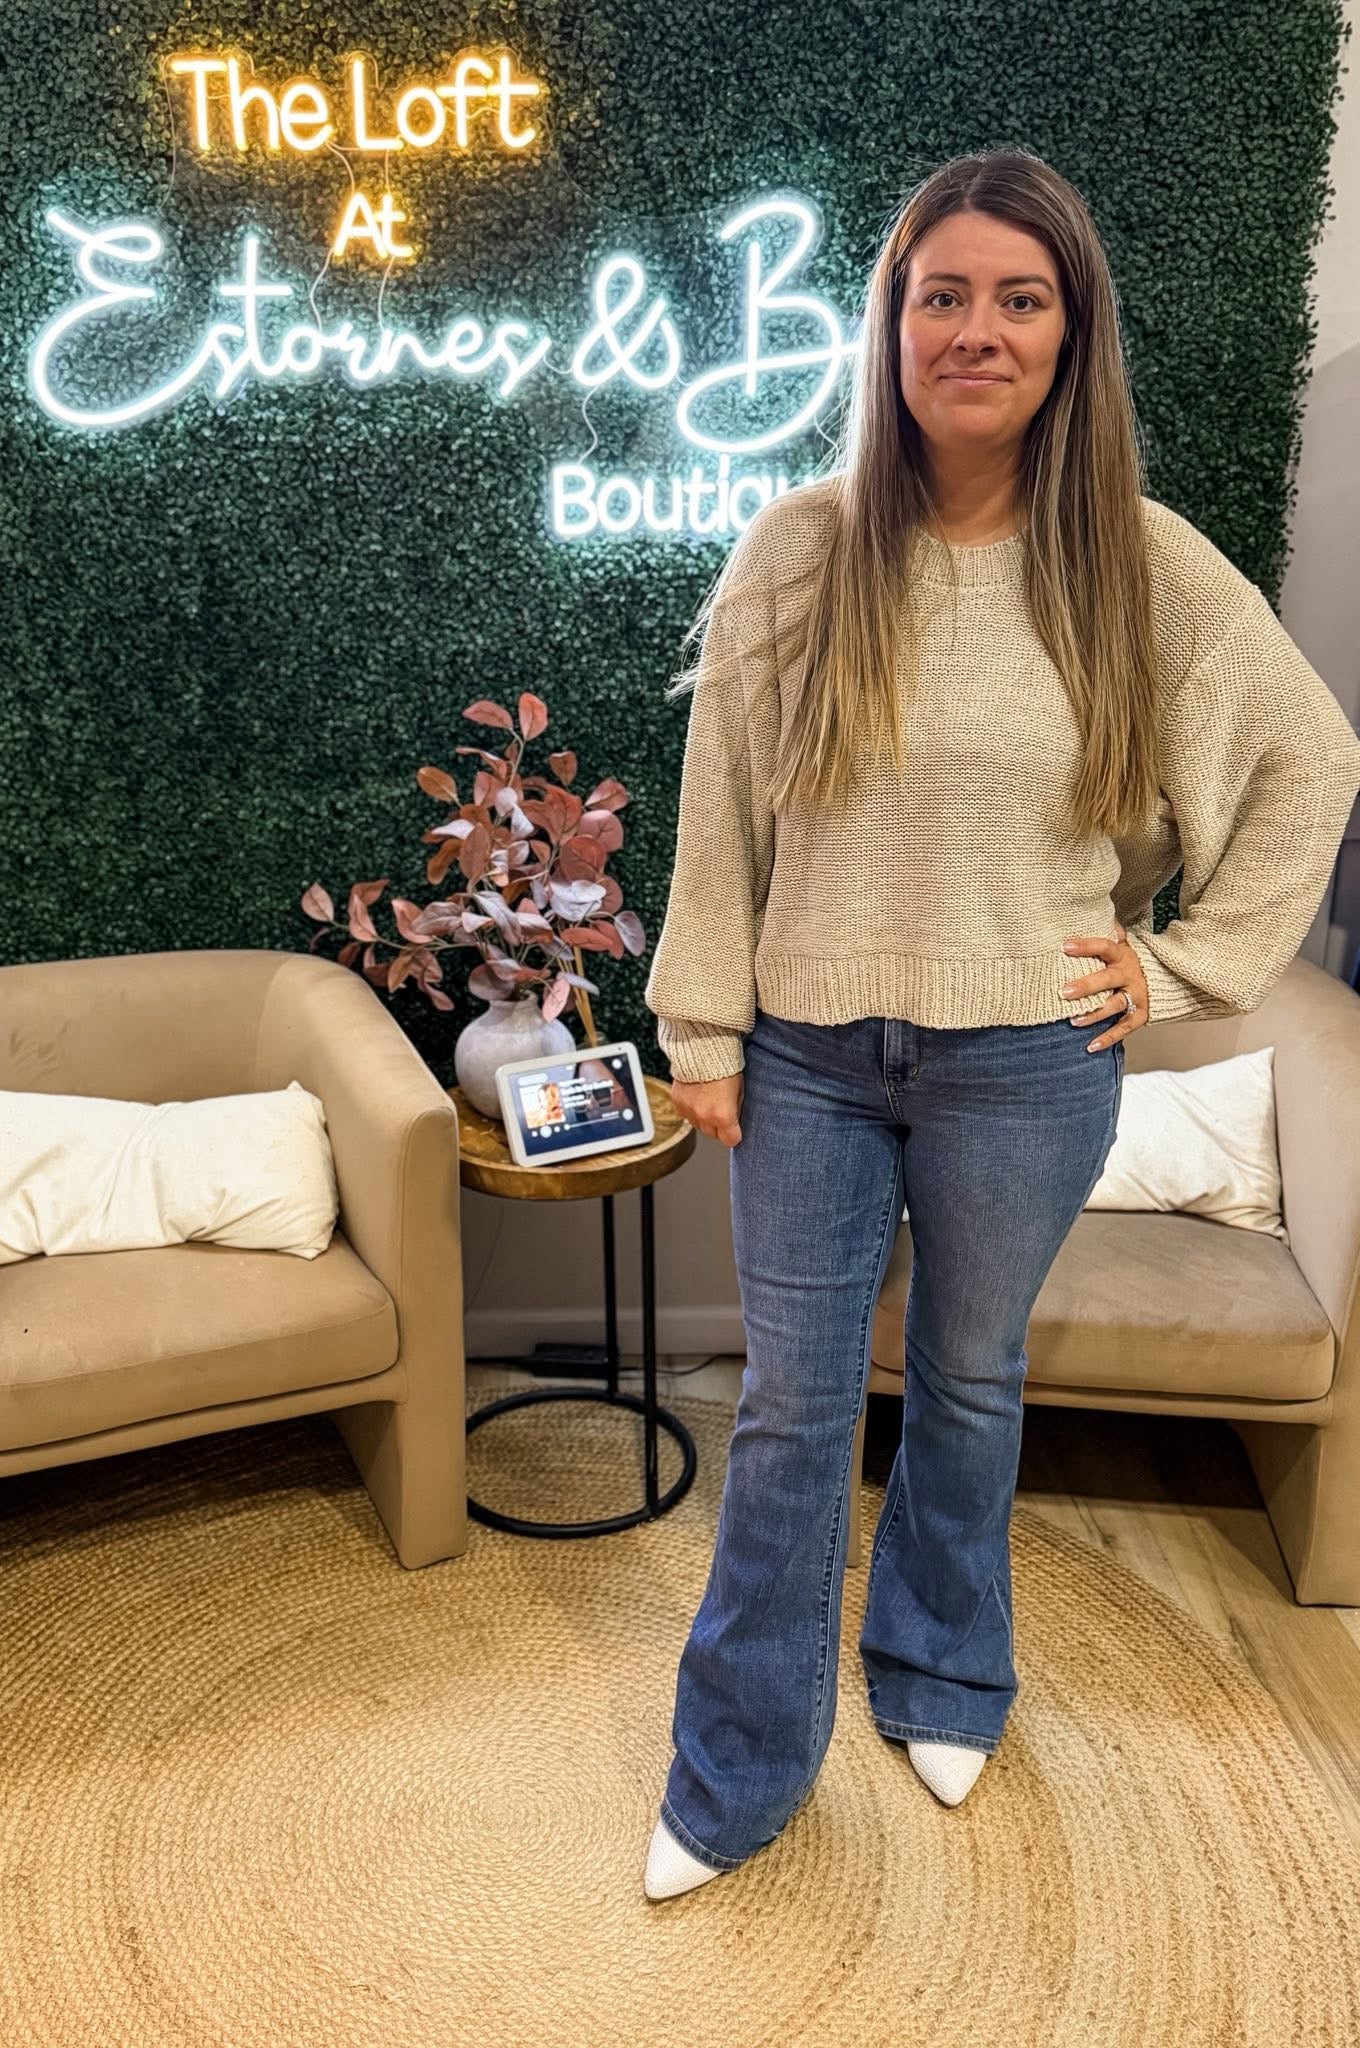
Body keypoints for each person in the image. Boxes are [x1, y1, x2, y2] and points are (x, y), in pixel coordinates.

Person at [639, 147, 1360, 1902]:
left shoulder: (1140, 567)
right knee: (793, 1413)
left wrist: (1183, 969)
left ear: (1070, 332)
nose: (977, 330)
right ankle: (735, 1767)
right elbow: (721, 808)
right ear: (891, 326)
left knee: (969, 1383)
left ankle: (946, 1669)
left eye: (1018, 299)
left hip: (1027, 1069)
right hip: (807, 1059)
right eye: (941, 295)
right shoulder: (800, 550)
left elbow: (1310, 757)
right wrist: (702, 1025)